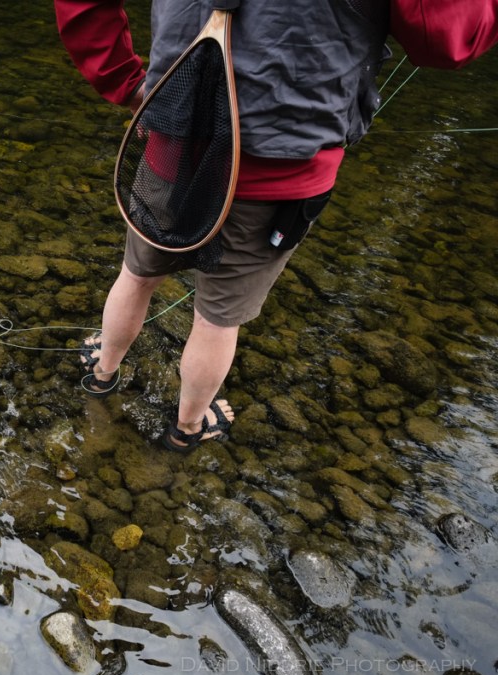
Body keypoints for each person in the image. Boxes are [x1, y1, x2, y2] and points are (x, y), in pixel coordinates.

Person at [54, 0, 498, 452]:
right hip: (284, 171)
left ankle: (103, 371)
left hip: (174, 136)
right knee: (218, 319)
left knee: (138, 273)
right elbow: (445, 37)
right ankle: (187, 428)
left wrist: (126, 81)